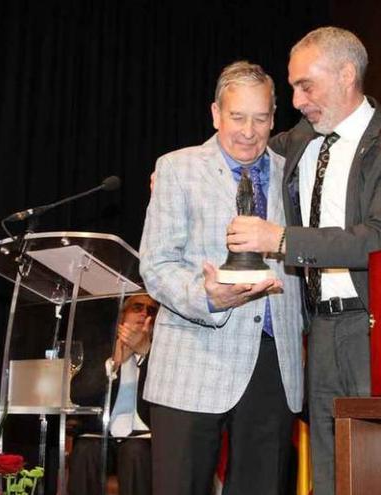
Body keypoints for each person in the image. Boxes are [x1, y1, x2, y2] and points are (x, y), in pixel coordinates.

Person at [225, 27, 381, 495]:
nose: (297, 100)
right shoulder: (296, 142)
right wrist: (180, 169)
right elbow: (238, 147)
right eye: (294, 87)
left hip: (375, 331)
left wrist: (281, 239)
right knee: (328, 465)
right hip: (317, 330)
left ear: (346, 75)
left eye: (306, 85)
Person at [139, 61, 304, 495]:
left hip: (274, 364)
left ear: (274, 117)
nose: (249, 131)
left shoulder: (296, 175)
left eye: (261, 117)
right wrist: (206, 296)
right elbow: (155, 265)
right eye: (237, 117)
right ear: (215, 114)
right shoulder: (176, 168)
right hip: (192, 357)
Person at [67, 293, 159, 495]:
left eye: (151, 310)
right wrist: (114, 363)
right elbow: (78, 395)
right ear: (122, 316)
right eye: (137, 307)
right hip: (102, 436)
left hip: (145, 439)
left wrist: (146, 354)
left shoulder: (161, 356)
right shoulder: (99, 351)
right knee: (85, 449)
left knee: (135, 452)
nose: (144, 313)